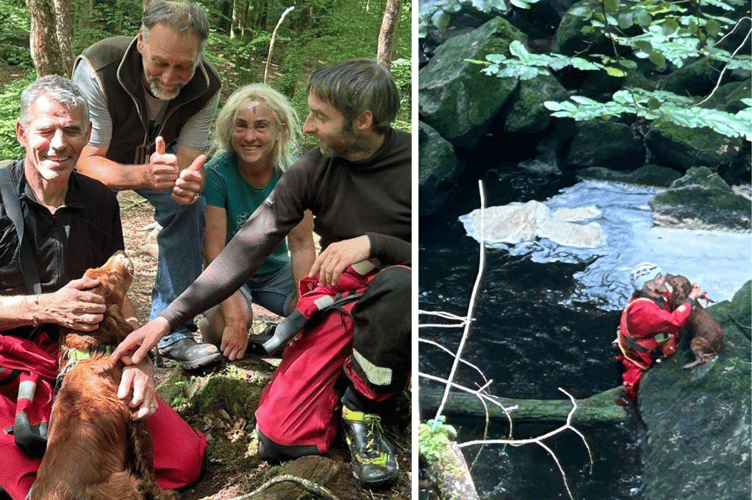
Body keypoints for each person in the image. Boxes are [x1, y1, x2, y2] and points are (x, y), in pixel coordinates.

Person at [112, 59, 411, 489]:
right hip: (349, 298)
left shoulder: (413, 163)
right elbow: (243, 250)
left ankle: (366, 409)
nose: (307, 126)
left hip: (407, 302)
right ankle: (349, 379)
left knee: (400, 284)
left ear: (362, 121)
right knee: (279, 436)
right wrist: (164, 321)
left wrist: (375, 244)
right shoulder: (314, 169)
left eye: (320, 117)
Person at [0, 76, 205, 500]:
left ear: (88, 135)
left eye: (72, 130)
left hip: (89, 364)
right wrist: (43, 307)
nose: (59, 144)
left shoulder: (99, 199)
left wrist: (139, 363)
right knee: (23, 487)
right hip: (10, 364)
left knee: (179, 462)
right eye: (45, 130)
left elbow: (122, 299)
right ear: (22, 133)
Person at [71, 0, 222, 369]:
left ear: (199, 58)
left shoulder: (206, 85)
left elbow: (187, 159)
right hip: (101, 157)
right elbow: (86, 160)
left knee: (190, 205)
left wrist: (185, 183)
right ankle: (91, 322)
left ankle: (173, 332)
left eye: (184, 65)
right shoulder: (99, 68)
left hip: (161, 157)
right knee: (92, 201)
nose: (170, 76)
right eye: (160, 62)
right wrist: (143, 174)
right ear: (141, 42)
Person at [199, 84, 316, 361]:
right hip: (230, 271)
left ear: (280, 130)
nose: (250, 137)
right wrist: (234, 316)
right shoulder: (216, 173)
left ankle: (281, 331)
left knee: (322, 313)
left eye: (261, 126)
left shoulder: (296, 174)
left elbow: (301, 245)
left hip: (275, 271)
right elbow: (213, 252)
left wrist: (305, 309)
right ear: (229, 130)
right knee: (226, 325)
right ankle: (208, 323)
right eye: (241, 126)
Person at [616, 262, 705, 400]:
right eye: (658, 277)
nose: (663, 278)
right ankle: (629, 400)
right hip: (640, 352)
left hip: (653, 338)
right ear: (649, 285)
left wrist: (689, 292)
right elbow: (674, 321)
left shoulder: (657, 295)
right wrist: (691, 298)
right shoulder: (644, 308)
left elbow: (673, 300)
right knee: (634, 382)